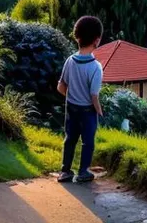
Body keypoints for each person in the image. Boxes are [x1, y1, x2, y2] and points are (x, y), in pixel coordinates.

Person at [57, 15, 103, 183]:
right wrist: (99, 110)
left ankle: (65, 171)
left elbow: (61, 86)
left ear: (77, 37)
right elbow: (94, 95)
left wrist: (71, 97)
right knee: (87, 141)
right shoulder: (96, 67)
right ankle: (83, 171)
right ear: (96, 40)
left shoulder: (70, 61)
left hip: (71, 107)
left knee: (70, 139)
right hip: (87, 110)